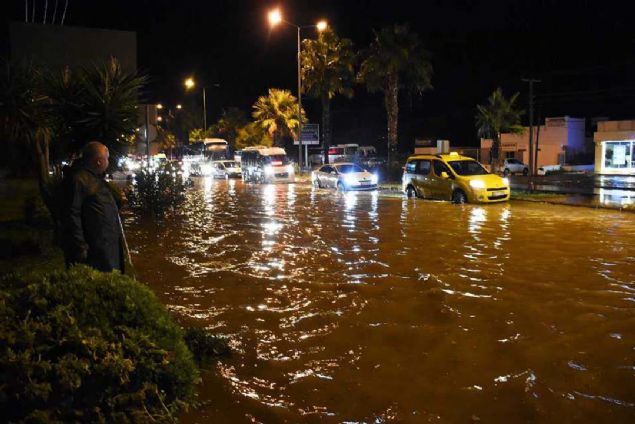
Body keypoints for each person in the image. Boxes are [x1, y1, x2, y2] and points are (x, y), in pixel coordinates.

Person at [62, 141, 125, 273]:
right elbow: (71, 214)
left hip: (105, 245)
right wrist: (80, 246)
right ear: (98, 161)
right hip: (96, 249)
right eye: (107, 159)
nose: (108, 162)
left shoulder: (95, 178)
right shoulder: (79, 180)